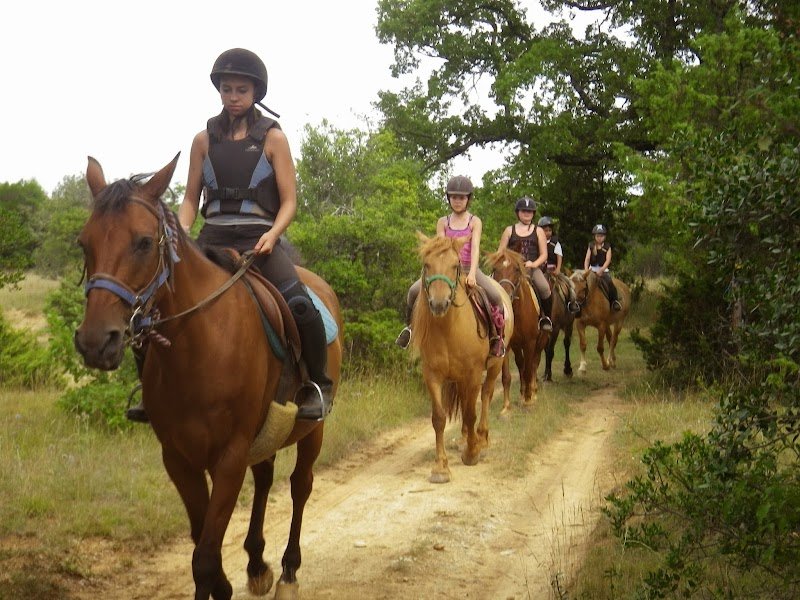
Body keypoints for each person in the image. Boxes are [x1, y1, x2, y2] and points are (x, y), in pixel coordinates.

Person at [126, 48, 333, 423]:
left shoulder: (273, 139)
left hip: (259, 241)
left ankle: (317, 385)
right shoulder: (203, 140)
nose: (233, 96)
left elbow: (289, 202)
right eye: (226, 89)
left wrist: (273, 234)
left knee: (301, 304)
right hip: (210, 240)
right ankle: (149, 389)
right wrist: (183, 231)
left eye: (240, 89)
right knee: (150, 306)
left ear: (256, 92)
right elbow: (190, 199)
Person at [395, 175, 506, 356]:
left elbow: (475, 248)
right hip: (445, 270)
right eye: (454, 197)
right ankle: (410, 329)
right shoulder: (443, 222)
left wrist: (471, 274)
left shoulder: (474, 221)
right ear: (448, 198)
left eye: (461, 197)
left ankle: (496, 338)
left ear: (468, 199)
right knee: (413, 291)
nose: (457, 201)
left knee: (495, 296)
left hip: (468, 267)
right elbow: (440, 248)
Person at [497, 197, 553, 331]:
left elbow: (544, 254)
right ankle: (495, 318)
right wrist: (504, 260)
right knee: (493, 287)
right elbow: (500, 252)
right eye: (524, 211)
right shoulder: (509, 230)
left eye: (530, 211)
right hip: (512, 269)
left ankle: (546, 318)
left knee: (544, 287)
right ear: (518, 213)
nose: (527, 213)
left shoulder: (538, 231)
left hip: (531, 268)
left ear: (533, 213)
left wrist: (534, 264)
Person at [538, 216, 580, 313]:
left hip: (553, 269)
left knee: (569, 284)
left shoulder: (555, 243)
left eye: (549, 230)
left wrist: (558, 269)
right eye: (545, 230)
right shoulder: (537, 242)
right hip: (541, 270)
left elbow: (559, 256)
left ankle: (571, 303)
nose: (547, 232)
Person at [583, 224, 622, 311]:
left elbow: (608, 260)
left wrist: (602, 270)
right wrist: (586, 270)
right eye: (598, 236)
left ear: (604, 237)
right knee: (581, 284)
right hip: (591, 269)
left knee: (609, 282)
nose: (599, 238)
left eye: (601, 236)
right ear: (594, 236)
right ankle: (580, 303)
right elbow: (587, 259)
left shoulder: (607, 246)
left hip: (603, 270)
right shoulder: (591, 246)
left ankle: (614, 301)